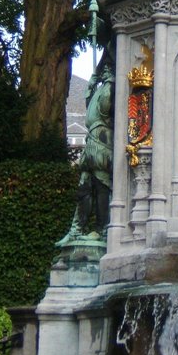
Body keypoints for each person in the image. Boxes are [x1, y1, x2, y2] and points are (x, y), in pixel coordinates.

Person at [61, 53, 115, 241]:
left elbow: (108, 109)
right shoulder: (100, 88)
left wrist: (108, 83)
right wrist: (93, 81)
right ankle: (76, 229)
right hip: (92, 141)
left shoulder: (112, 87)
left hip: (102, 143)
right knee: (84, 187)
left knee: (102, 187)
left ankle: (104, 229)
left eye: (108, 67)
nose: (104, 70)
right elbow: (89, 103)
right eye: (104, 68)